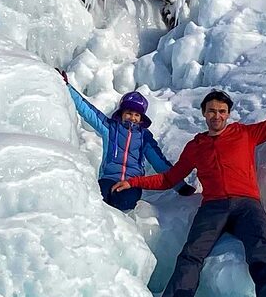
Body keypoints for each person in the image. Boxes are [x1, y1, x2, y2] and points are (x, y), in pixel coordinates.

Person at [115, 64, 266, 297]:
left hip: (247, 203)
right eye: (212, 111)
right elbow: (169, 178)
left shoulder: (245, 134)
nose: (217, 115)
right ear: (204, 113)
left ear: (228, 114)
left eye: (222, 111)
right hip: (213, 207)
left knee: (261, 239)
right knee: (191, 255)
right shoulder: (196, 146)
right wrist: (133, 182)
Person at [60, 73, 192, 211]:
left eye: (136, 115)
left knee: (124, 202)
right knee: (99, 201)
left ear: (141, 118)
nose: (132, 118)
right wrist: (67, 87)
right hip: (108, 178)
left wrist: (180, 185)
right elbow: (88, 111)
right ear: (122, 113)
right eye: (129, 113)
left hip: (132, 183)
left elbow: (159, 162)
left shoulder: (144, 137)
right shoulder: (110, 128)